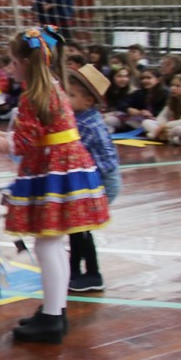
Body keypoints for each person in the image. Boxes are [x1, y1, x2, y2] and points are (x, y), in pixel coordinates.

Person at [0, 29, 110, 343]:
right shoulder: (53, 87)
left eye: (14, 62)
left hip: (55, 171)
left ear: (27, 63)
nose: (10, 68)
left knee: (48, 245)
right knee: (52, 245)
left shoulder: (34, 95)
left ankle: (53, 317)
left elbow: (19, 145)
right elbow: (34, 135)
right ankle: (55, 310)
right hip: (62, 168)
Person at [63, 66, 121, 294]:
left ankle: (93, 274)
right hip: (92, 179)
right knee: (76, 225)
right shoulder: (83, 117)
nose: (66, 99)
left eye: (71, 95)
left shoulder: (85, 124)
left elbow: (72, 150)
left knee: (81, 226)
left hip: (101, 181)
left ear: (88, 101)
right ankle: (75, 270)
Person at [143, 72, 181, 143]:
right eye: (172, 85)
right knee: (146, 122)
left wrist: (165, 126)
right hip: (172, 129)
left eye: (178, 86)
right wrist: (162, 127)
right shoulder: (173, 98)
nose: (173, 88)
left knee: (178, 129)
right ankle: (168, 137)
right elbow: (162, 117)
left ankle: (161, 136)